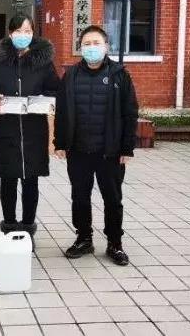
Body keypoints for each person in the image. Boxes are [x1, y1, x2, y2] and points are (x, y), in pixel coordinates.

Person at [54, 25, 139, 266]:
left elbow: (130, 112)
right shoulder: (71, 75)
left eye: (96, 43)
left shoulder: (120, 75)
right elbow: (62, 111)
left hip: (109, 152)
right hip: (78, 150)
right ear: (80, 48)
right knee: (80, 197)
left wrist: (127, 148)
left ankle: (115, 243)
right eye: (87, 44)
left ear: (106, 47)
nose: (92, 48)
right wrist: (60, 143)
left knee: (112, 199)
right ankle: (84, 238)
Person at [0, 15, 60, 239]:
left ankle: (28, 229)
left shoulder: (43, 62)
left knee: (31, 181)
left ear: (33, 34)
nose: (23, 35)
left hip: (34, 132)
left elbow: (55, 90)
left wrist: (44, 100)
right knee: (8, 180)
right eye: (18, 31)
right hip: (6, 131)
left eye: (27, 31)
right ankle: (9, 227)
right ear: (10, 34)